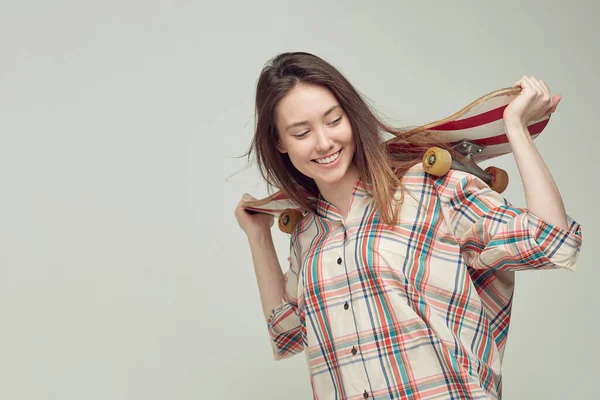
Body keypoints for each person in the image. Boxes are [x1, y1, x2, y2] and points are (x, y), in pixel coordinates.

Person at [234, 52, 582, 400]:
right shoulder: (307, 236)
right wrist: (258, 235)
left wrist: (516, 129)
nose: (324, 142)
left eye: (334, 120)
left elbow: (553, 243)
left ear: (351, 117)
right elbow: (287, 334)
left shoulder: (430, 189)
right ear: (280, 143)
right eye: (302, 132)